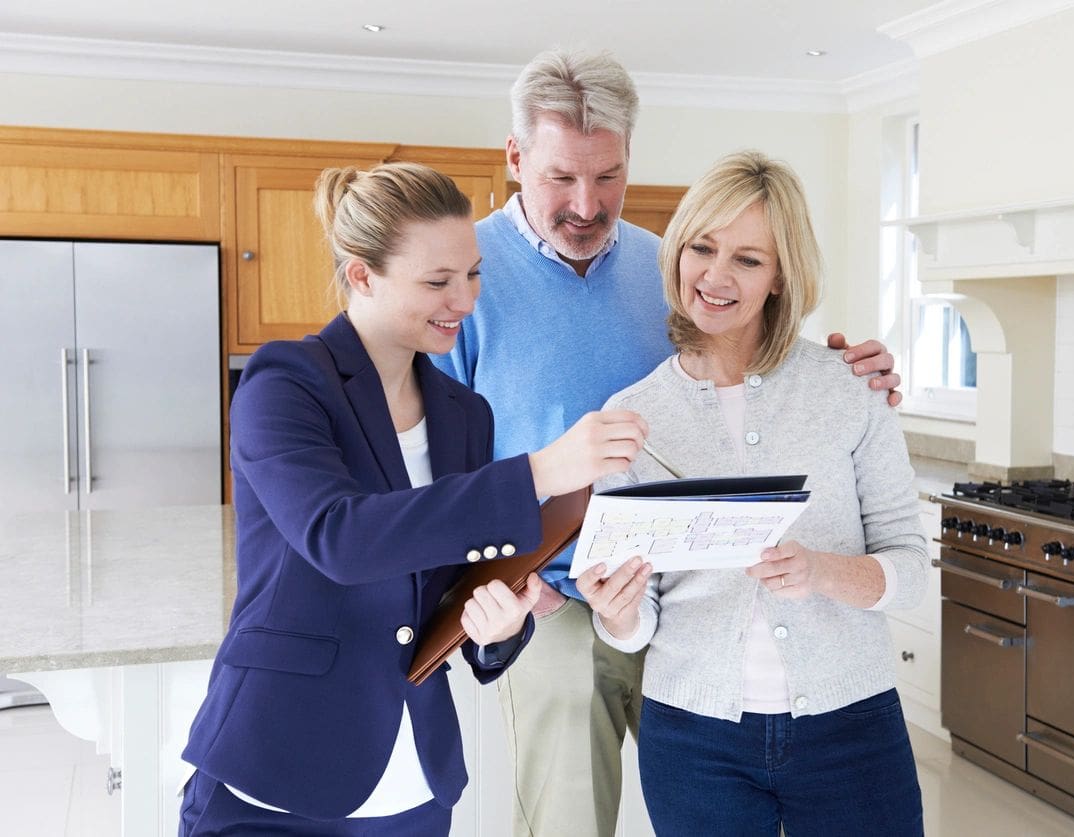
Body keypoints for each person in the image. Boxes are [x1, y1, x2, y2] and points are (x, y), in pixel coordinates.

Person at [431, 49, 904, 837]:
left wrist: (855, 369)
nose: (586, 204)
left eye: (608, 175)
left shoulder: (672, 266)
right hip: (550, 602)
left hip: (693, 602)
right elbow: (435, 472)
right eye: (559, 177)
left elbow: (750, 372)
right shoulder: (465, 281)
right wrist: (511, 586)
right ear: (515, 159)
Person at [179, 161, 647, 834]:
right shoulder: (286, 382)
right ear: (361, 273)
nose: (465, 300)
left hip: (413, 783)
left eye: (473, 274)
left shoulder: (464, 413)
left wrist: (498, 626)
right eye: (438, 281)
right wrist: (540, 471)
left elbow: (450, 584)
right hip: (275, 770)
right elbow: (340, 537)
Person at [577, 150, 927, 836]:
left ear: (781, 275)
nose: (715, 275)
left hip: (852, 725)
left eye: (747, 258)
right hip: (694, 738)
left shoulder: (850, 388)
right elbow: (639, 618)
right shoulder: (633, 417)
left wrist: (822, 570)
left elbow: (911, 570)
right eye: (701, 247)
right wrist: (614, 614)